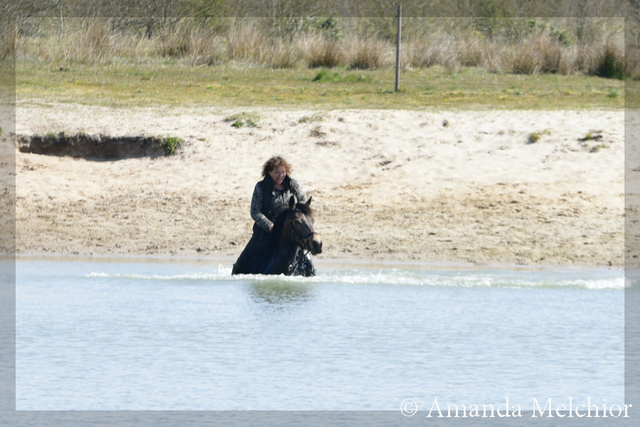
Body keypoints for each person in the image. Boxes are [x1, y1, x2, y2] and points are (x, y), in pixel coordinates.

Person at [232, 156, 315, 276]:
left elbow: (303, 202)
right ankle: (236, 274)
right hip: (265, 233)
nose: (281, 175)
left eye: (283, 172)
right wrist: (269, 225)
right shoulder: (260, 187)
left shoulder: (293, 184)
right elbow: (255, 212)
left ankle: (311, 276)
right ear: (269, 172)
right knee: (242, 261)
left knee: (308, 260)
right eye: (277, 172)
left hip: (289, 231)